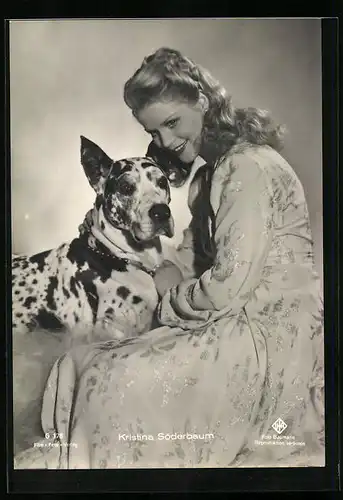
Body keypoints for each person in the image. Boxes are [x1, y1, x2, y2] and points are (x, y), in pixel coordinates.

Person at [14, 47, 324, 469]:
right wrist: (145, 262)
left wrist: (166, 296)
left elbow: (227, 285)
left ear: (203, 100)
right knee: (82, 361)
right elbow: (193, 259)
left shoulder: (246, 168)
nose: (165, 141)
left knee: (106, 377)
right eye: (154, 132)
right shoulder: (213, 175)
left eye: (172, 123)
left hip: (268, 336)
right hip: (241, 319)